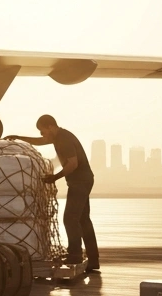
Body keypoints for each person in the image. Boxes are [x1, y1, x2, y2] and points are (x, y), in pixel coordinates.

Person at [6, 115, 99, 272]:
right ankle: (93, 260)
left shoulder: (64, 139)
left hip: (80, 182)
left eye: (42, 131)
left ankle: (75, 254)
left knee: (70, 218)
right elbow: (40, 141)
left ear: (50, 127)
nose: (42, 134)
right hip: (83, 180)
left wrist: (55, 177)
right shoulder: (59, 137)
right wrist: (19, 138)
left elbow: (73, 163)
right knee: (83, 220)